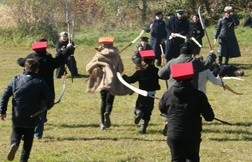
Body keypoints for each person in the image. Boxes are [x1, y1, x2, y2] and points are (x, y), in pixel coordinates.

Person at [17, 39, 74, 139]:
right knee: (40, 113)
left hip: (29, 90)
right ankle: (37, 135)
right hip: (44, 91)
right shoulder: (47, 60)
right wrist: (68, 49)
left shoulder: (30, 59)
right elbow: (60, 60)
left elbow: (20, 61)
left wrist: (22, 59)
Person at [159, 62, 215, 162]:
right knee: (193, 158)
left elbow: (162, 109)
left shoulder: (168, 94)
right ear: (192, 78)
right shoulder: (199, 95)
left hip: (174, 133)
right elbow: (209, 117)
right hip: (192, 134)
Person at [0, 58, 54, 161]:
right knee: (29, 137)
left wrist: (2, 111)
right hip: (32, 115)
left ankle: (14, 143)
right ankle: (23, 159)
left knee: (16, 131)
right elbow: (49, 97)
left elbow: (4, 95)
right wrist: (49, 106)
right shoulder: (40, 81)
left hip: (17, 114)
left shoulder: (15, 79)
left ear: (25, 68)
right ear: (37, 69)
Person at [86, 36, 132, 130]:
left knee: (103, 101)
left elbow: (88, 68)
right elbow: (121, 69)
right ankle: (107, 112)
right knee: (110, 101)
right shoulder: (116, 55)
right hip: (113, 81)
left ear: (102, 45)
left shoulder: (98, 56)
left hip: (102, 81)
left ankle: (102, 122)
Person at [122, 50, 160, 134]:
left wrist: (124, 77)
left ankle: (139, 112)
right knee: (148, 110)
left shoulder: (140, 72)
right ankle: (143, 128)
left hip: (142, 93)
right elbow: (163, 75)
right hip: (152, 94)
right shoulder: (156, 70)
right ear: (153, 60)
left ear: (143, 60)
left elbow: (130, 80)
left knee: (138, 107)